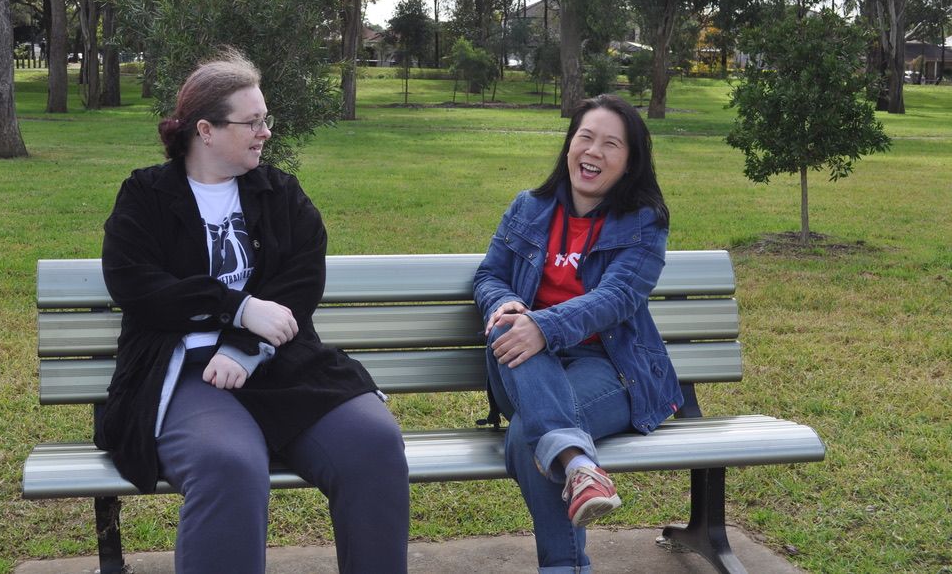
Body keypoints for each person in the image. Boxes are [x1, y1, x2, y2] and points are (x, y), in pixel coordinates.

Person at [96, 49, 409, 574]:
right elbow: (135, 282)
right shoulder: (147, 195)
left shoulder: (278, 192)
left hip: (279, 361)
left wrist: (248, 345)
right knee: (230, 464)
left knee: (374, 444)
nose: (265, 132)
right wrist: (236, 308)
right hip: (186, 370)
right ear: (206, 130)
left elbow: (303, 277)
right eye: (252, 122)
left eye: (266, 119)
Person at [473, 94, 683, 573]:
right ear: (569, 144)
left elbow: (619, 298)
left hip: (612, 372)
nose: (593, 151)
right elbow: (489, 275)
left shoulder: (643, 221)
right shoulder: (528, 209)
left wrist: (542, 326)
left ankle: (566, 551)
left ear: (629, 163)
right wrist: (502, 303)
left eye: (611, 144)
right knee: (509, 323)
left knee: (530, 433)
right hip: (521, 372)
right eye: (585, 137)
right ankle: (581, 469)